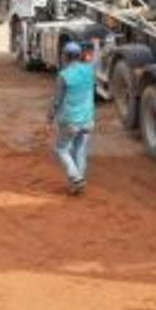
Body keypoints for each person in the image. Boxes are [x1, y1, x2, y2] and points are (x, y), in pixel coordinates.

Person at [49, 41, 96, 195]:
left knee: (61, 149)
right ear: (78, 55)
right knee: (80, 152)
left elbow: (57, 100)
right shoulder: (90, 70)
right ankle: (76, 186)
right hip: (88, 120)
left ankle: (76, 178)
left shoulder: (63, 75)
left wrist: (50, 117)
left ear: (65, 57)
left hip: (70, 120)